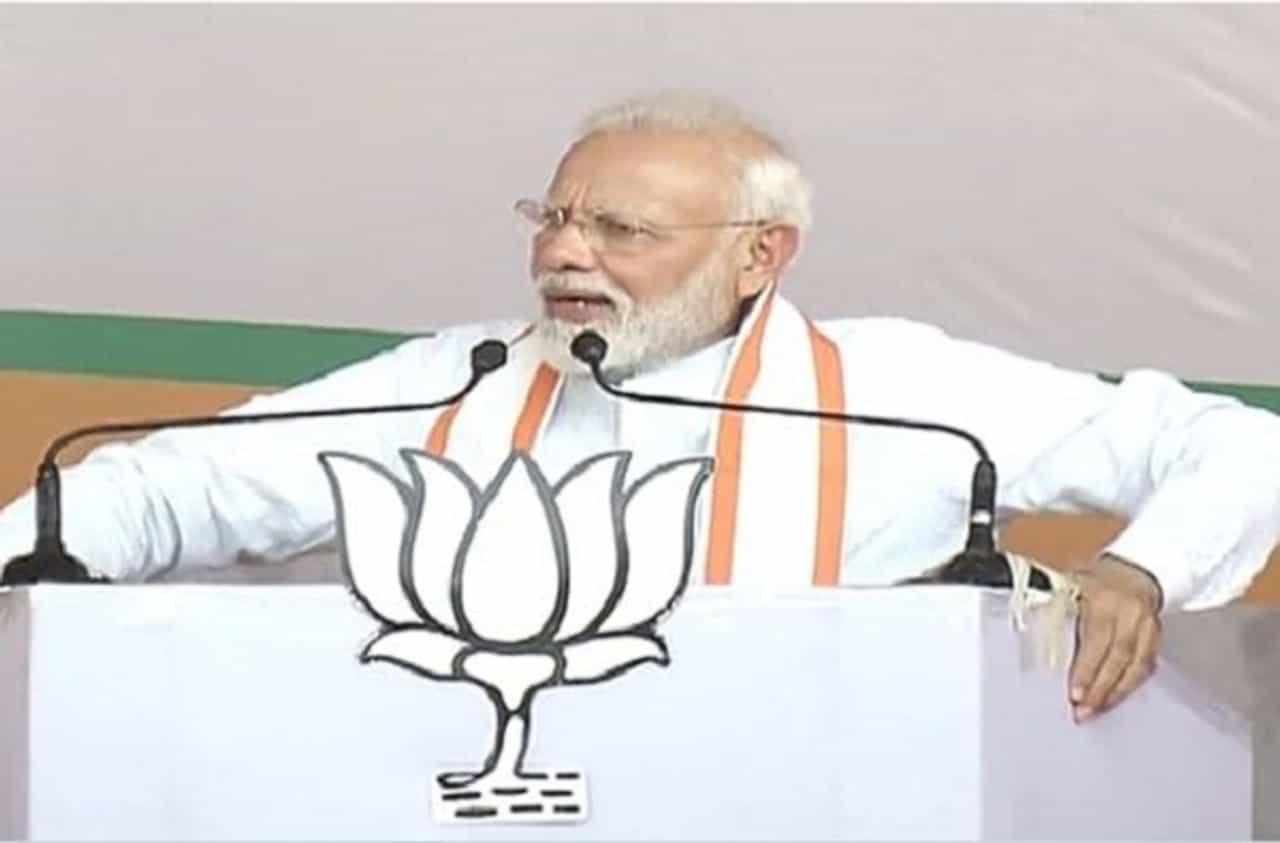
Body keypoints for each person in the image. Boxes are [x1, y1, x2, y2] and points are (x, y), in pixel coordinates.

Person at [2, 92, 1278, 724]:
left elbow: (1235, 444)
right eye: (554, 218)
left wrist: (1139, 572)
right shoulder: (452, 381)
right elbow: (163, 487)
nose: (566, 253)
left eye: (620, 229)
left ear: (760, 255)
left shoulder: (898, 390)